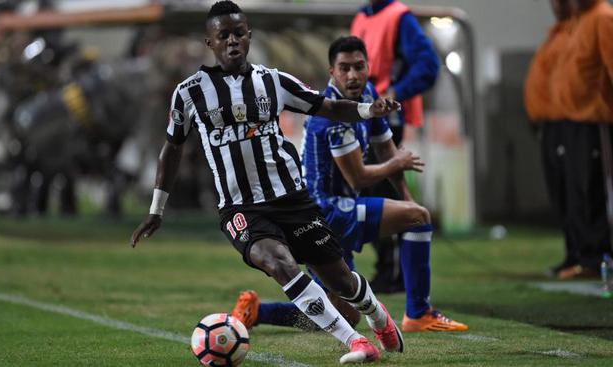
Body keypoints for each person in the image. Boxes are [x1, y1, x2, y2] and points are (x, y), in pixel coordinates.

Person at [130, 1, 405, 364]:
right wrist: (156, 209)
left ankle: (378, 318)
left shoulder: (273, 81)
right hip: (240, 207)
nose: (232, 41)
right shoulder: (189, 93)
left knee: (341, 280)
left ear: (248, 37)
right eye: (223, 35)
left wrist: (369, 110)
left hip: (292, 198)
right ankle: (355, 342)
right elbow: (172, 149)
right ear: (209, 43)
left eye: (238, 34)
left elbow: (326, 106)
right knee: (278, 263)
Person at [231, 36, 467, 333]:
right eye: (344, 68)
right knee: (419, 218)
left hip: (337, 211)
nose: (353, 75)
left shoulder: (368, 95)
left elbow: (386, 150)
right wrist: (400, 178)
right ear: (332, 72)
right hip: (327, 212)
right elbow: (360, 177)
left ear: (369, 67)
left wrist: (407, 200)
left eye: (359, 66)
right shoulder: (333, 117)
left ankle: (257, 311)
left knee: (342, 316)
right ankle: (419, 312)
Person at [350, 0, 440, 293]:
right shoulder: (363, 17)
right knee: (375, 190)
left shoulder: (399, 17)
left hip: (387, 118)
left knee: (384, 192)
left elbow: (428, 65)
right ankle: (389, 269)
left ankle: (396, 271)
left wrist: (395, 92)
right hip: (364, 115)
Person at [545, 0, 613, 278]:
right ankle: (583, 255)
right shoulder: (578, 22)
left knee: (593, 189)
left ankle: (597, 257)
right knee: (575, 192)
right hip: (570, 121)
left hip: (593, 121)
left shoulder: (602, 18)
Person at [524, 0, 577, 278]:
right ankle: (574, 253)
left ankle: (590, 256)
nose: (556, 5)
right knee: (562, 192)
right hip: (551, 124)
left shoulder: (586, 27)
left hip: (574, 121)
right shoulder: (559, 32)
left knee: (579, 191)